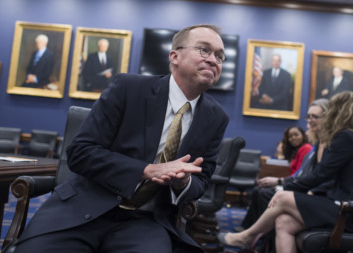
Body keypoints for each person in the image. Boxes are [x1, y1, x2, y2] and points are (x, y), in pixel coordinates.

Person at [14, 24, 230, 253]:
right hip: (82, 207)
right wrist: (146, 170)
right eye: (204, 50)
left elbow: (201, 181)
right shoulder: (129, 88)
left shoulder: (216, 118)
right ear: (174, 56)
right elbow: (80, 152)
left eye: (219, 55)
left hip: (146, 220)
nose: (213, 60)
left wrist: (182, 182)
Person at [218, 91, 353, 252]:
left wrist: (286, 190)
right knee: (283, 222)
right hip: (344, 207)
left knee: (284, 198)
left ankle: (247, 236)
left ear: (338, 111)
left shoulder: (346, 137)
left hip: (352, 213)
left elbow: (320, 175)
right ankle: (247, 236)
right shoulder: (351, 137)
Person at [241, 99, 330, 230]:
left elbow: (307, 175)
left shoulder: (310, 148)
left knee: (265, 195)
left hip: (311, 192)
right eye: (308, 117)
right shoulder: (315, 147)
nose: (310, 123)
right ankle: (254, 235)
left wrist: (281, 182)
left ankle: (251, 234)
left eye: (315, 117)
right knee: (262, 193)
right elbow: (301, 174)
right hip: (300, 185)